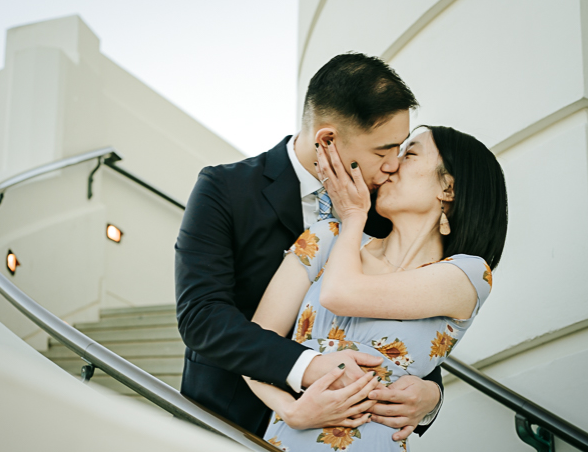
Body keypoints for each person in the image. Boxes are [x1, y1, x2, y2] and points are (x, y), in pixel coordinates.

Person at [175, 53, 444, 442]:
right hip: (226, 424)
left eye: (400, 150)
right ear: (328, 140)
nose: (392, 166)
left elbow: (402, 313)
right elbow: (201, 316)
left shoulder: (382, 210)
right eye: (383, 151)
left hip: (342, 436)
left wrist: (430, 394)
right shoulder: (224, 189)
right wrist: (311, 366)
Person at [246, 127, 508, 451]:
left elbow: (339, 294)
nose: (392, 165)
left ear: (448, 187)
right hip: (285, 442)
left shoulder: (466, 275)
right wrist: (291, 410)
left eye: (409, 154)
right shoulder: (326, 238)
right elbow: (253, 346)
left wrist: (355, 215)